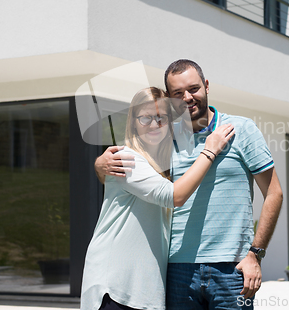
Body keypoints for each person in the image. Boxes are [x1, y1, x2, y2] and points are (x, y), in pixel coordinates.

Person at [94, 60, 283, 310]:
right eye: (177, 94)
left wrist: (255, 255)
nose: (187, 97)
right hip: (176, 269)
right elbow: (132, 171)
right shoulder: (162, 137)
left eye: (193, 89)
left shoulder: (241, 129)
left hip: (232, 269)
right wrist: (100, 164)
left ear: (206, 86)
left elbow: (274, 193)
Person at [81, 86, 235, 310]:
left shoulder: (165, 164)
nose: (154, 124)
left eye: (161, 118)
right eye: (145, 118)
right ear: (133, 121)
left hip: (142, 291)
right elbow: (175, 195)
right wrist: (210, 150)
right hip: (117, 288)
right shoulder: (126, 159)